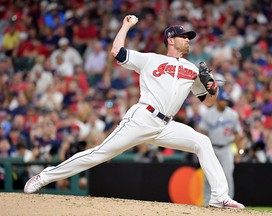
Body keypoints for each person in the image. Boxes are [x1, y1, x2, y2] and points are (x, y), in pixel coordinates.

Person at [24, 15, 245, 209]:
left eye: (189, 37)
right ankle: (44, 177)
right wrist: (126, 26)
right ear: (170, 39)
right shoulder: (150, 59)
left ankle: (219, 196)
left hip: (166, 125)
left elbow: (208, 102)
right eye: (184, 36)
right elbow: (117, 52)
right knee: (99, 154)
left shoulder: (192, 69)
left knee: (202, 142)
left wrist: (213, 88)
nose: (188, 40)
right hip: (142, 117)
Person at [198, 90, 244, 206]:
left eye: (226, 101)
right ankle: (206, 202)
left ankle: (228, 202)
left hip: (226, 147)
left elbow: (238, 135)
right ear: (217, 101)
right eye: (222, 100)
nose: (224, 103)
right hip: (211, 147)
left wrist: (239, 153)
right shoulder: (208, 114)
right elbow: (203, 133)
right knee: (209, 175)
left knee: (227, 174)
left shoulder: (233, 115)